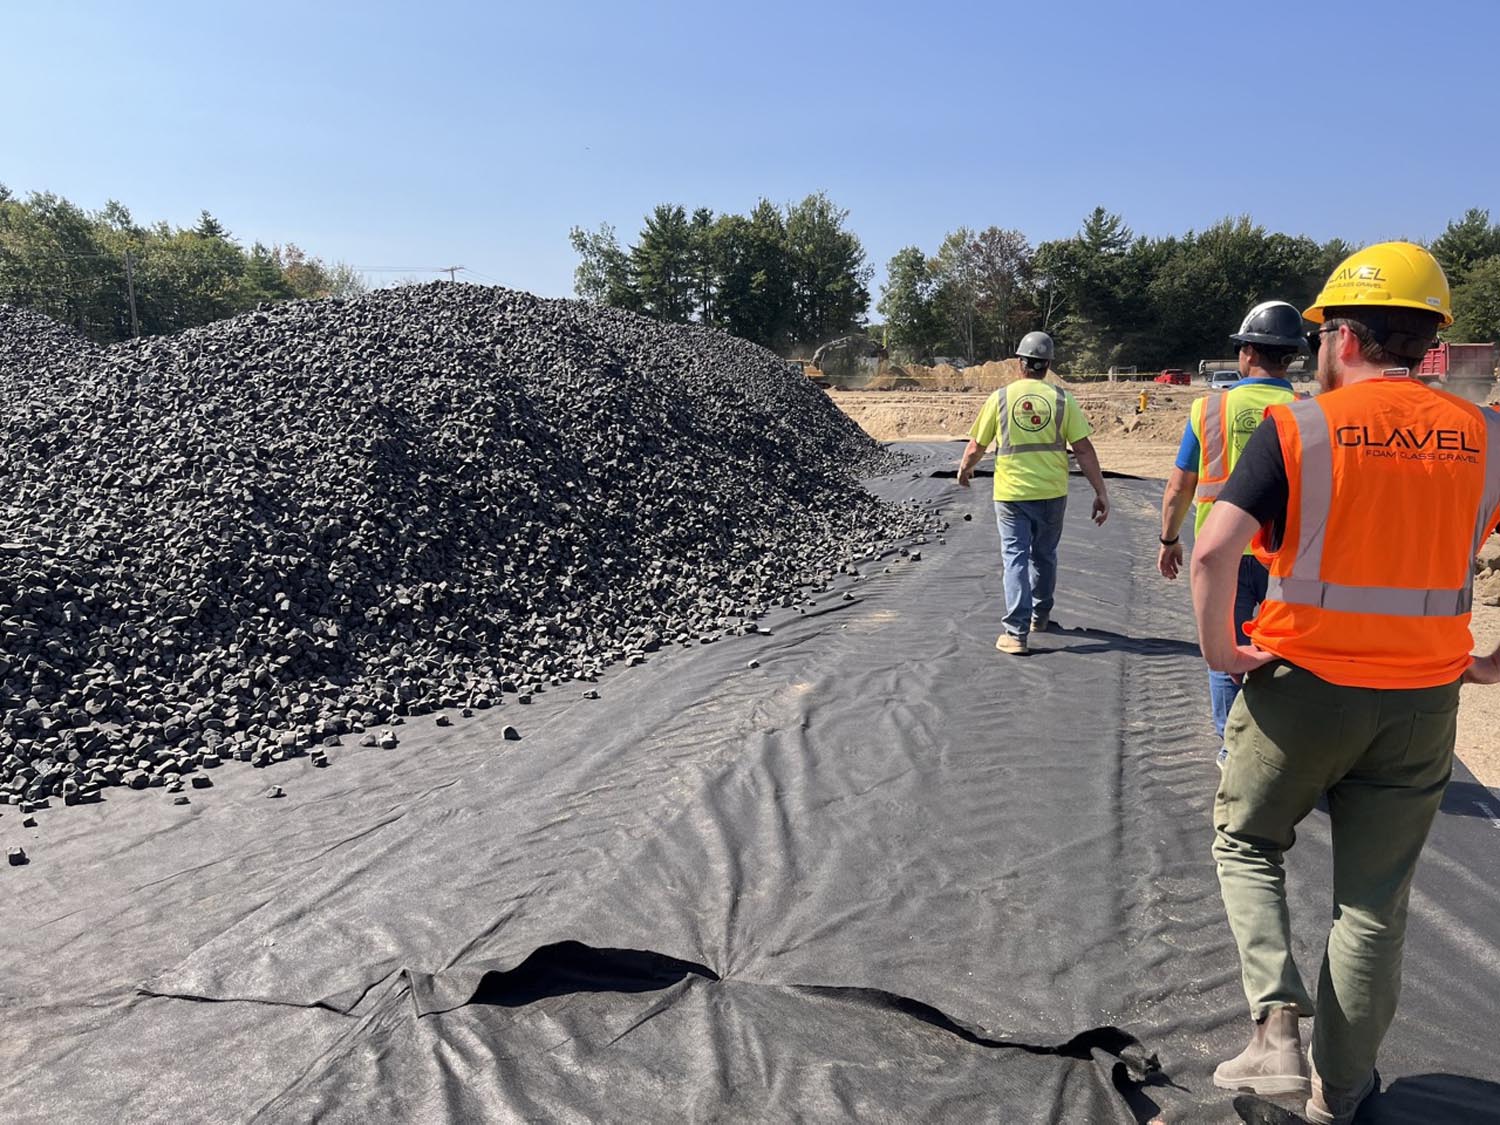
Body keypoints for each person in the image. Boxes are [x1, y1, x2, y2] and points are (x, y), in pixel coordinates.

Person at [1189, 242, 1500, 1125]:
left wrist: (1221, 651)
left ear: (1342, 338)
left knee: (1247, 839)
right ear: (1430, 340)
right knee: (1373, 906)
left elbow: (1213, 549)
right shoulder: (1486, 439)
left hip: (1301, 688)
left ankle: (1275, 1026)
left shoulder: (1298, 428)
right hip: (1421, 707)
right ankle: (1344, 1092)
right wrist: (1491, 662)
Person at [1158, 301, 1304, 761]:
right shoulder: (1309, 411)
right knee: (1287, 650)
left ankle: (1231, 747)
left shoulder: (1209, 410)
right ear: (1292, 357)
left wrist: (1169, 539)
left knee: (1225, 650)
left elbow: (1181, 486)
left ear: (1246, 354)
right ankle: (1283, 741)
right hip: (1287, 555)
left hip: (1222, 553)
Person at [957, 331, 1109, 654]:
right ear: (1048, 365)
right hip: (1052, 493)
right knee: (1044, 555)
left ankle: (1015, 634)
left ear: (1019, 364)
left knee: (1015, 558)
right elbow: (1083, 449)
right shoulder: (1062, 399)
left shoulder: (999, 399)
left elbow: (976, 446)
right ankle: (1041, 615)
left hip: (1011, 495)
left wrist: (965, 470)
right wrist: (1100, 491)